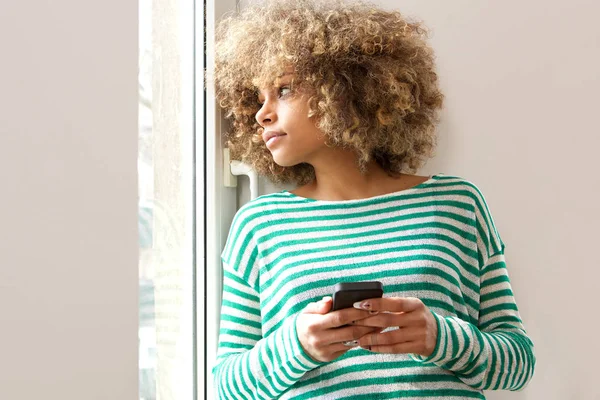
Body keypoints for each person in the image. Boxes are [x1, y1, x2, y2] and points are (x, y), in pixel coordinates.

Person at [211, 0, 536, 398]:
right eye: (258, 98)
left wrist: (440, 337)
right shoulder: (259, 225)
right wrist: (296, 346)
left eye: (283, 90)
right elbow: (227, 386)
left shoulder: (456, 204)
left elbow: (517, 365)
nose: (263, 114)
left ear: (347, 88)